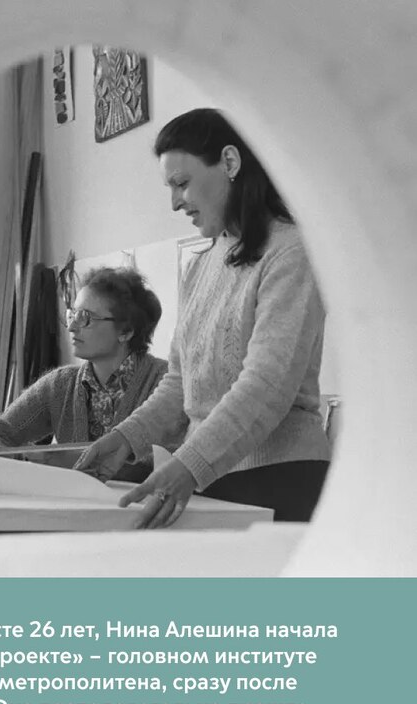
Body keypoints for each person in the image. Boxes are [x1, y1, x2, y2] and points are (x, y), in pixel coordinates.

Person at [76, 108, 330, 526]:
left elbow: (267, 386)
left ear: (229, 162)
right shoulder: (201, 264)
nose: (175, 202)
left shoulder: (291, 253)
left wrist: (190, 464)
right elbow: (180, 383)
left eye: (182, 183)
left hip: (281, 479)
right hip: (211, 477)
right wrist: (126, 437)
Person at [0, 267, 184, 481]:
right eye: (73, 314)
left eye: (86, 317)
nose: (71, 327)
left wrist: (57, 461)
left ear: (126, 332)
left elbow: (169, 465)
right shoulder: (60, 385)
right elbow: (0, 432)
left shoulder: (168, 384)